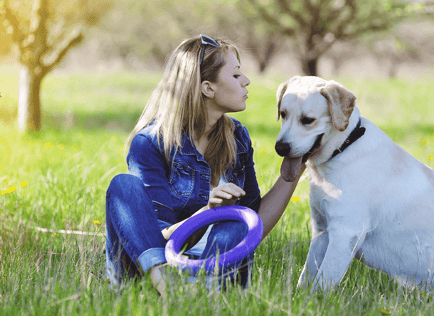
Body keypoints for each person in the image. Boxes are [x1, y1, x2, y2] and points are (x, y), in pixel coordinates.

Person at [104, 34, 304, 294]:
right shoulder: (151, 143)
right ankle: (170, 289)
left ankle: (203, 297)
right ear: (207, 88)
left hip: (207, 275)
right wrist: (208, 212)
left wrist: (293, 172)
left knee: (236, 221)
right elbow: (157, 236)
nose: (246, 81)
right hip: (147, 276)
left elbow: (253, 225)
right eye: (235, 75)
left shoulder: (237, 139)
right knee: (124, 185)